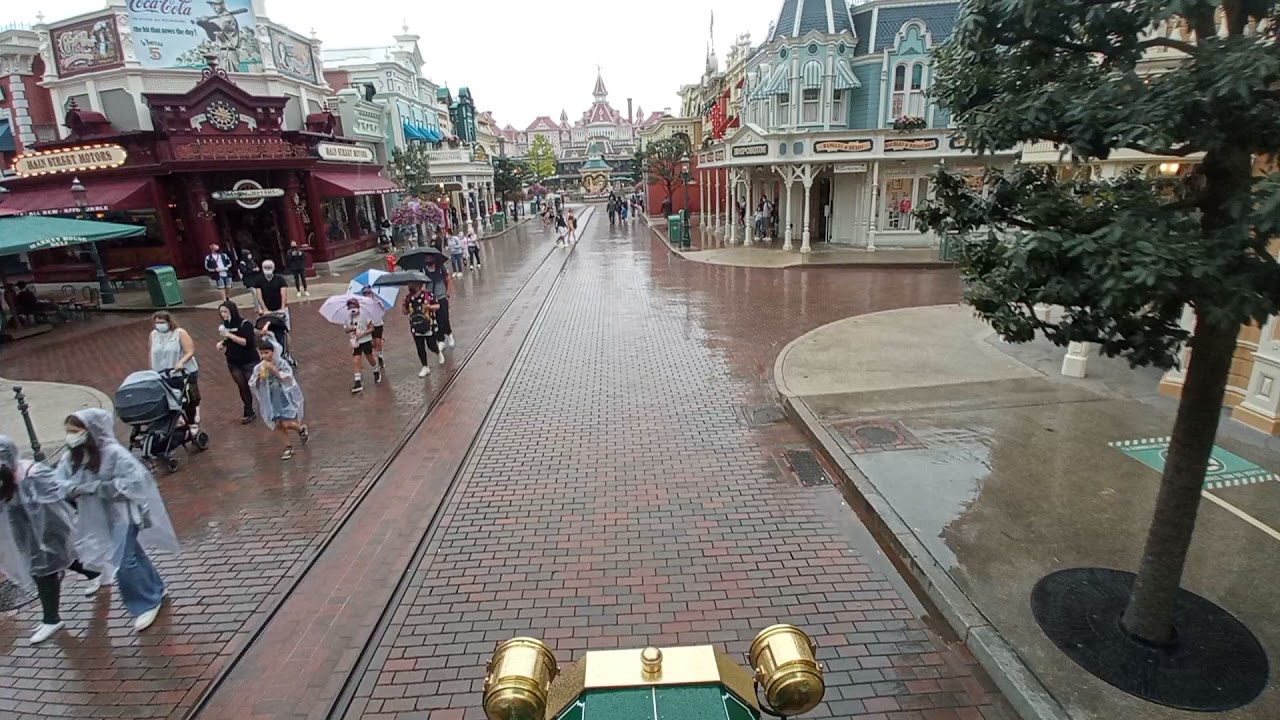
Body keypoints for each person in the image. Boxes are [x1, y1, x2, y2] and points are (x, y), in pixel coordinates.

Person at [57, 409, 179, 633]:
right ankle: (156, 588)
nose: (70, 436)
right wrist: (73, 490)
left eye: (75, 431)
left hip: (123, 515)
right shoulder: (72, 457)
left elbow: (134, 483)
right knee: (133, 555)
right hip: (97, 517)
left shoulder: (114, 454)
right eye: (68, 432)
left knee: (123, 562)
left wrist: (93, 488)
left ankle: (146, 603)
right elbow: (60, 482)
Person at [0, 435, 101, 645]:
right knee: (60, 561)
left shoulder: (30, 475)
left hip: (48, 530)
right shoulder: (7, 479)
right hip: (26, 531)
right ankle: (96, 573)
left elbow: (55, 502)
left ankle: (51, 619)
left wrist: (47, 538)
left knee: (44, 571)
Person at [250, 339, 308, 459]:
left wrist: (273, 369)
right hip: (270, 398)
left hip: (283, 396)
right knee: (278, 423)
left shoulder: (281, 363)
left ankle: (300, 428)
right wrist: (258, 378)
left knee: (285, 422)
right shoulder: (259, 367)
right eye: (261, 353)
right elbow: (253, 383)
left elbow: (288, 377)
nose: (264, 356)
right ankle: (288, 446)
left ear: (272, 352)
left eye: (267, 352)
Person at [149, 311, 200, 433]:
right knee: (170, 399)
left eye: (162, 322)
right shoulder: (153, 335)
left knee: (188, 398)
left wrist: (181, 362)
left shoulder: (179, 333)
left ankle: (192, 420)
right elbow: (151, 352)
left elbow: (190, 350)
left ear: (169, 322)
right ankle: (177, 419)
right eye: (157, 322)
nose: (159, 325)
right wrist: (151, 370)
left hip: (182, 372)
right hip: (163, 373)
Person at [216, 301, 258, 424]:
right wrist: (222, 343)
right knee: (242, 386)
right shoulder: (225, 325)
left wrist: (229, 335)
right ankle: (248, 410)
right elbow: (227, 339)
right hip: (233, 360)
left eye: (225, 312)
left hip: (249, 360)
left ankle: (268, 406)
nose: (223, 315)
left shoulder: (245, 325)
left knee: (255, 384)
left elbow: (248, 343)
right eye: (221, 313)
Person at [403, 281, 441, 377]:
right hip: (415, 326)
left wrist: (429, 307)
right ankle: (425, 366)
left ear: (419, 285)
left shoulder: (427, 295)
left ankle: (437, 351)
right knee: (420, 347)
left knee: (431, 345)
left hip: (428, 324)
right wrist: (404, 305)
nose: (410, 286)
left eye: (412, 284)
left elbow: (437, 306)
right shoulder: (408, 298)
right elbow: (405, 312)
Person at [344, 297, 381, 393]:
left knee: (369, 357)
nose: (352, 309)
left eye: (354, 306)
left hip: (365, 340)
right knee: (356, 360)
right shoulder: (348, 318)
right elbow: (346, 329)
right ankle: (358, 382)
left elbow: (371, 328)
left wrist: (364, 333)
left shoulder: (364, 315)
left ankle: (375, 369)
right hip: (356, 342)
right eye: (350, 307)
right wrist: (351, 329)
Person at [423, 255, 454, 354]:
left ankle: (449, 334)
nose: (428, 260)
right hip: (430, 299)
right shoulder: (423, 270)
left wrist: (447, 295)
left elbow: (448, 280)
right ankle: (440, 340)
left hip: (441, 297)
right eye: (427, 259)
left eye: (430, 259)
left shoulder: (440, 268)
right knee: (434, 320)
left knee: (444, 318)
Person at [255, 260, 290, 329]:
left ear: (273, 268)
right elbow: (259, 296)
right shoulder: (259, 280)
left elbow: (283, 294)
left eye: (269, 267)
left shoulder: (280, 279)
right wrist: (264, 309)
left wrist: (282, 308)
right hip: (267, 310)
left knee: (285, 329)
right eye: (265, 267)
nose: (267, 269)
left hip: (280, 309)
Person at [360, 286, 387, 370]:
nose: (367, 295)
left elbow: (383, 311)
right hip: (368, 325)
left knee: (378, 342)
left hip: (378, 324)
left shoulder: (377, 301)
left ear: (371, 293)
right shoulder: (361, 304)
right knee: (373, 344)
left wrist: (379, 307)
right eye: (365, 293)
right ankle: (379, 351)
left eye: (368, 293)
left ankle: (380, 358)